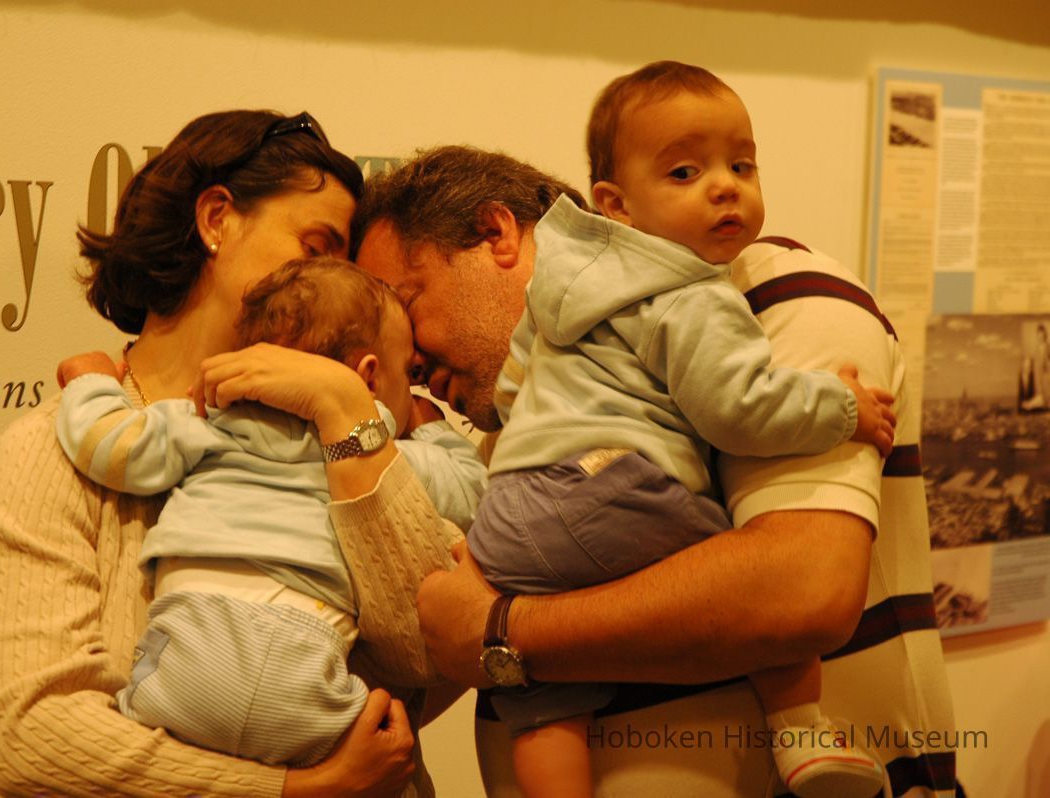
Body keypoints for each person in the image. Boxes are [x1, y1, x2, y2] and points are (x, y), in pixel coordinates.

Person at [347, 136, 957, 794]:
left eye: (406, 302)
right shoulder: (529, 431)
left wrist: (499, 630)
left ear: (496, 234)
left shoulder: (764, 294)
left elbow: (806, 590)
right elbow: (431, 659)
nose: (405, 357)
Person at [0, 109, 463, 798]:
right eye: (317, 247)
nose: (334, 284)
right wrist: (298, 789)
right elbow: (31, 739)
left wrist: (345, 414)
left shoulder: (356, 431)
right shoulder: (53, 450)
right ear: (216, 219)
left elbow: (426, 655)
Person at [459, 61, 891, 798]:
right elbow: (739, 409)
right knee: (748, 590)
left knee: (544, 701)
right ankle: (802, 733)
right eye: (685, 172)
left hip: (513, 513)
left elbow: (511, 389)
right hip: (613, 489)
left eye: (741, 165)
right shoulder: (692, 291)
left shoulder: (556, 288)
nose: (724, 186)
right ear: (616, 204)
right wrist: (842, 407)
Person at [53, 258, 486, 768]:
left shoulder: (206, 421)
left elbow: (110, 446)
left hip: (183, 648)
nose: (413, 392)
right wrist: (431, 427)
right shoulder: (376, 451)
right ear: (369, 377)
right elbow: (472, 492)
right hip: (306, 665)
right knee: (378, 744)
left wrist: (91, 382)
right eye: (408, 374)